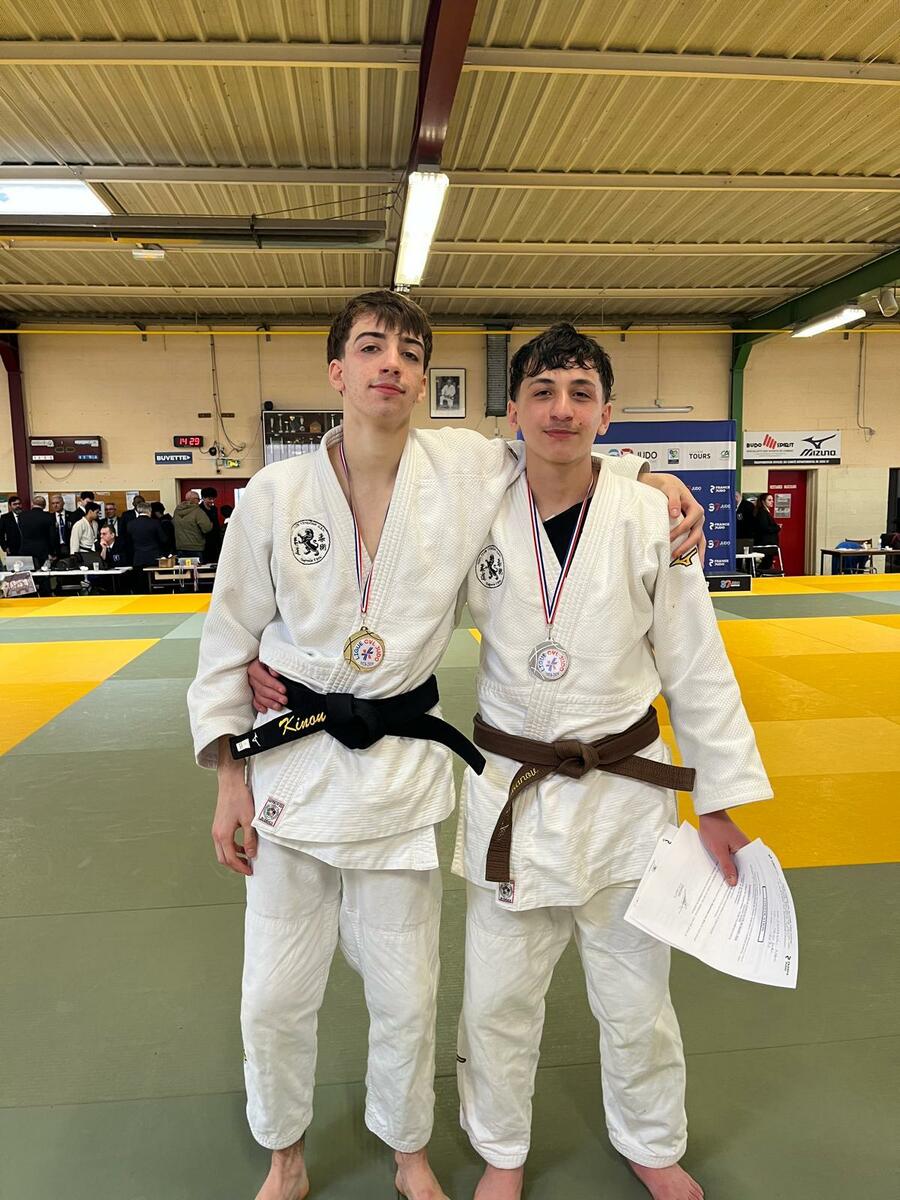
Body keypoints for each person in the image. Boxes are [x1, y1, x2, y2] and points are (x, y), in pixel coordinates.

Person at [192, 290, 705, 1200]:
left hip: (398, 777)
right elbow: (227, 637)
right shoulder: (273, 495)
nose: (390, 362)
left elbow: (559, 445)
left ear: (425, 378)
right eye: (370, 346)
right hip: (291, 768)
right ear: (337, 371)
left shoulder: (464, 467)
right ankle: (284, 1153)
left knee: (406, 993)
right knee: (273, 993)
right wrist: (229, 773)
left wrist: (651, 478)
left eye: (409, 351)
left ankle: (409, 1150)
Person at [127, 502, 166, 592]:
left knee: (141, 585)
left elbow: (128, 543)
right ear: (149, 511)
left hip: (138, 558)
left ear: (138, 510)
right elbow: (163, 539)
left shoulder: (130, 524)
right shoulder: (155, 523)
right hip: (154, 557)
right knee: (155, 584)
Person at [17, 496, 56, 569]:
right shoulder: (48, 517)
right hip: (42, 551)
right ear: (44, 505)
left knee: (27, 572)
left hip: (25, 550)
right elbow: (52, 536)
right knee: (42, 573)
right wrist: (52, 552)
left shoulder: (22, 516)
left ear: (32, 504)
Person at [173, 490, 213, 556]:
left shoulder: (177, 511)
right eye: (198, 499)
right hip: (196, 547)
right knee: (196, 563)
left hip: (180, 546)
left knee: (183, 563)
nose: (199, 501)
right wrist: (211, 524)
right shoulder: (198, 511)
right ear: (194, 499)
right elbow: (206, 528)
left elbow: (173, 523)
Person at [751, 493, 781, 573]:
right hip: (765, 544)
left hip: (768, 543)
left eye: (772, 500)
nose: (772, 502)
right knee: (766, 563)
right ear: (763, 501)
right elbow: (764, 528)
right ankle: (758, 575)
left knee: (768, 562)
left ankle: (759, 574)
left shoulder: (765, 512)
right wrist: (777, 527)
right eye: (769, 500)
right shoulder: (762, 513)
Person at [48, 494, 75, 559]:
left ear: (63, 503)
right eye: (53, 503)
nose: (55, 505)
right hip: (55, 550)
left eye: (57, 503)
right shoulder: (49, 518)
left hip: (69, 547)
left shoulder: (72, 515)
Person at [200, 486, 222, 562]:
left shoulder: (214, 509)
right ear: (203, 498)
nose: (212, 501)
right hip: (205, 541)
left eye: (213, 499)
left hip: (215, 541)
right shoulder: (199, 509)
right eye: (209, 499)